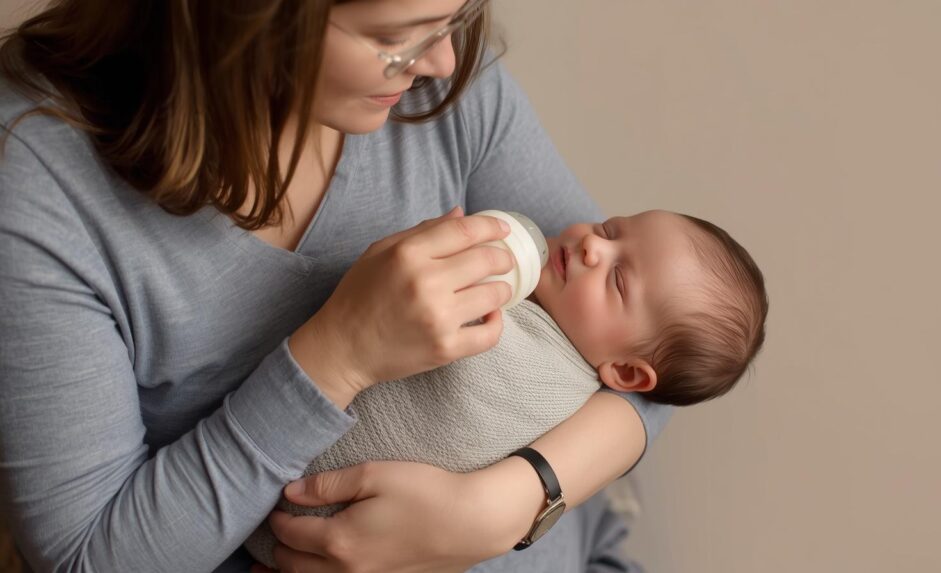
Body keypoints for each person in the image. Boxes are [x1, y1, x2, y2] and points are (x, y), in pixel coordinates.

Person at [0, 1, 675, 571]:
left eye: (459, 15)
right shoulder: (38, 179)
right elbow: (87, 556)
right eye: (392, 40)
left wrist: (510, 502)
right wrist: (337, 354)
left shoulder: (447, 88)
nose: (441, 61)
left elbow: (672, 343)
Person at [244, 209, 768, 568]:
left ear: (627, 375)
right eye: (610, 227)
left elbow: (468, 384)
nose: (592, 245)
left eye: (617, 280)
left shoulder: (541, 372)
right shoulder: (555, 294)